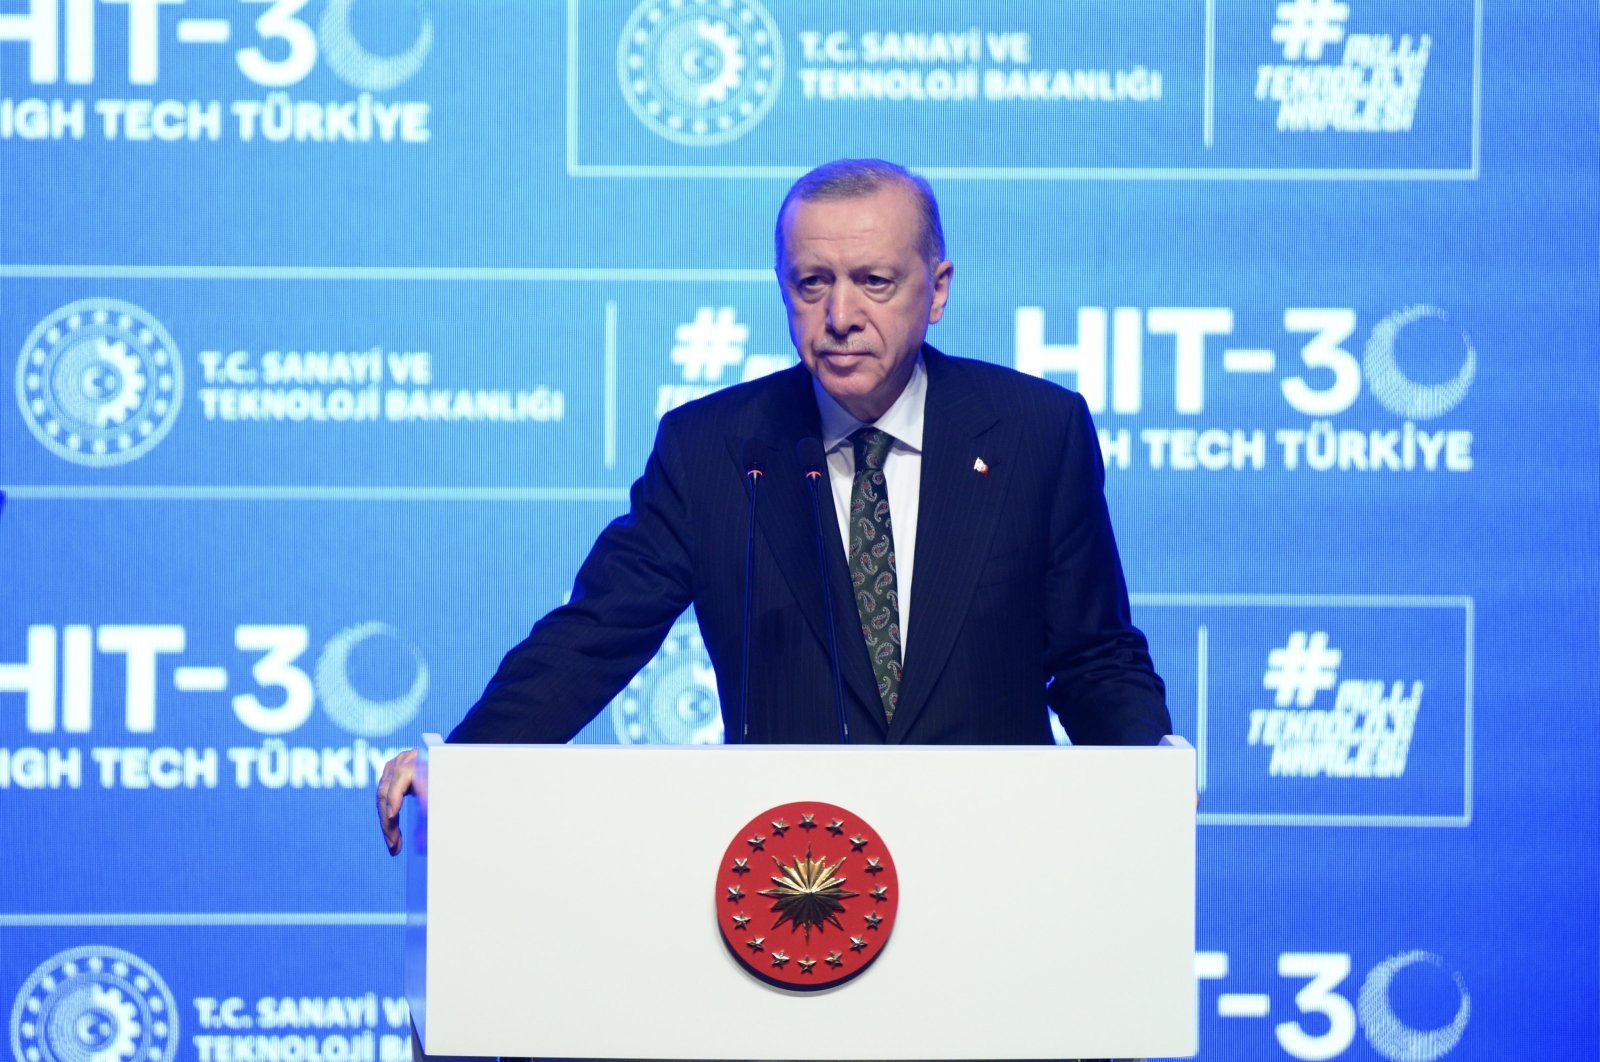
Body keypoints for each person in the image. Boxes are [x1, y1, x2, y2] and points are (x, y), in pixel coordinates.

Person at [378, 158, 1169, 852]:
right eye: (812, 283)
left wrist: (1148, 778)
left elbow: (1093, 653)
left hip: (993, 856)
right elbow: (596, 633)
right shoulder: (716, 449)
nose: (840, 316)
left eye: (875, 282)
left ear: (937, 290)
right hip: (794, 882)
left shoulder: (1036, 430)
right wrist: (468, 763)